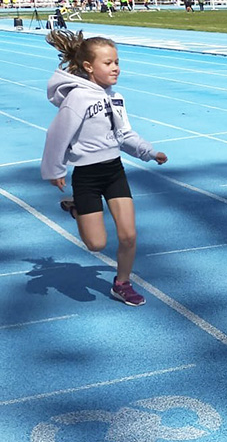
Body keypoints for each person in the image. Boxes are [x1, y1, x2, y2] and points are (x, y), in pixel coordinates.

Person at [40, 30, 168, 307]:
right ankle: (77, 206)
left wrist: (149, 152)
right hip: (87, 175)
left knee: (128, 235)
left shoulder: (116, 97)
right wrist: (55, 170)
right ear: (89, 66)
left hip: (114, 171)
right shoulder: (78, 99)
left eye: (117, 62)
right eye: (108, 63)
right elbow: (57, 135)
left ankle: (122, 284)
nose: (115, 68)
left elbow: (124, 135)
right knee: (96, 244)